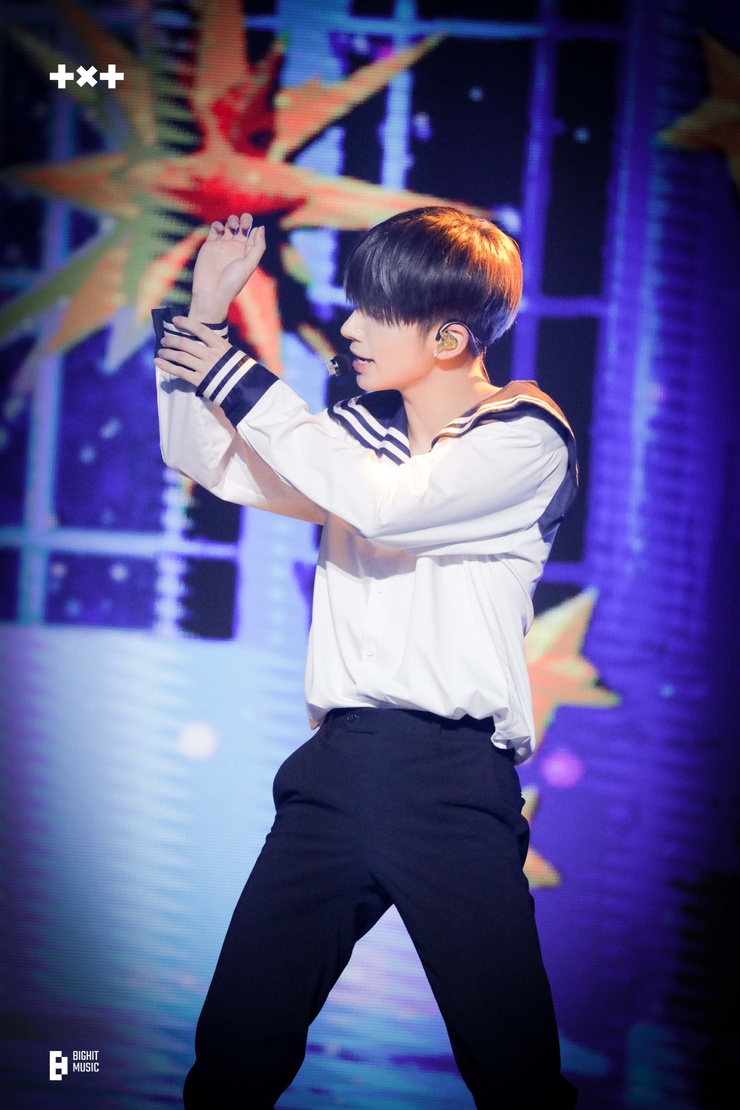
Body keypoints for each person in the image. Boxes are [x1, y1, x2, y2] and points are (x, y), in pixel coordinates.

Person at [154, 207, 579, 1109]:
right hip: (337, 770)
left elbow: (393, 507)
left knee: (514, 1072)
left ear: (449, 338)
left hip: (452, 780)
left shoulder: (525, 437)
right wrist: (204, 315)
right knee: (232, 1054)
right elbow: (210, 460)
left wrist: (240, 377)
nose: (349, 329)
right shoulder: (354, 437)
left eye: (374, 313)